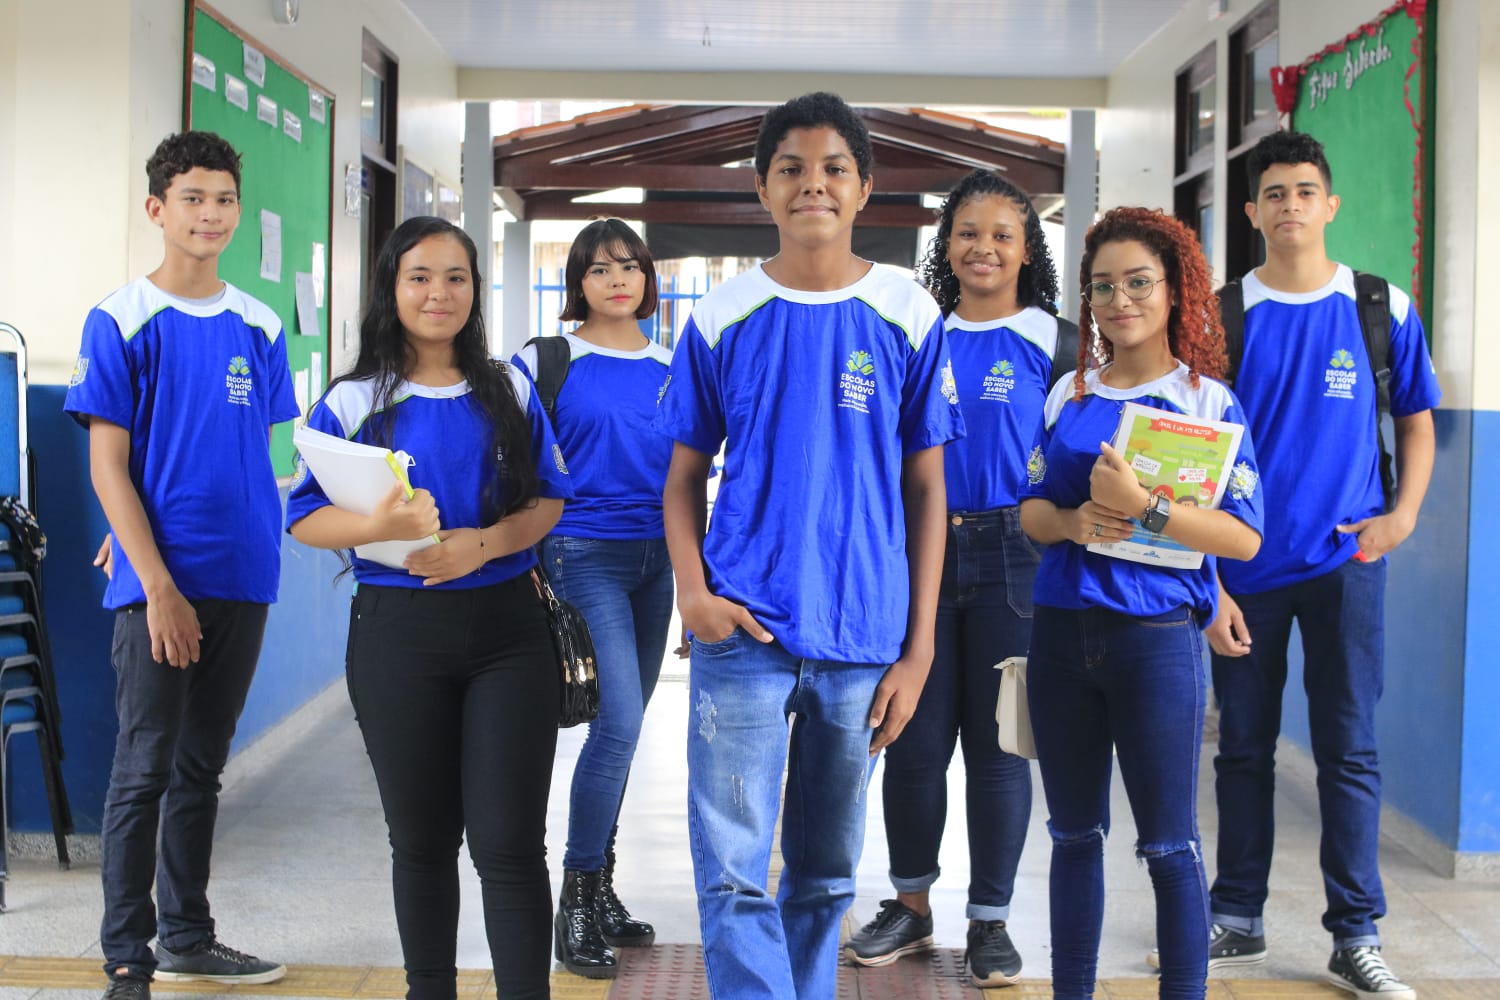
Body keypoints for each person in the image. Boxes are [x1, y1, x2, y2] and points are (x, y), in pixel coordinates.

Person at [655, 91, 962, 1000]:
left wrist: (919, 649)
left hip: (862, 638)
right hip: (741, 632)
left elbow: (928, 490)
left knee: (826, 876)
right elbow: (681, 478)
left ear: (865, 187)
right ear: (762, 187)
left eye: (834, 169)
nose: (812, 185)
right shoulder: (722, 315)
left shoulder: (908, 312)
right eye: (790, 168)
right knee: (733, 873)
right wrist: (693, 595)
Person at [286, 216, 574, 1000]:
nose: (438, 293)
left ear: (476, 290)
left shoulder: (508, 388)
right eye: (419, 277)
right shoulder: (352, 400)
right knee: (420, 841)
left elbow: (549, 499)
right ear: (391, 287)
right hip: (397, 638)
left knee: (509, 844)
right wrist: (380, 526)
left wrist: (483, 544)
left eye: (456, 277)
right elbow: (304, 518)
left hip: (509, 633)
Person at [1205, 130, 1438, 1000]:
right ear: (1253, 210)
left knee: (1349, 751)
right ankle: (1238, 917)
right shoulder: (1225, 315)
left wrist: (1402, 517)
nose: (1291, 205)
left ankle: (1356, 934)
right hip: (1246, 569)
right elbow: (1198, 448)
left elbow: (1416, 419)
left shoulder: (1379, 305)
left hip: (1348, 564)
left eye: (1305, 190)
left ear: (1329, 204)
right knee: (1242, 750)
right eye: (1274, 192)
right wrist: (1210, 582)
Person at [63, 131, 296, 1000]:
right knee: (144, 767)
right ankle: (128, 956)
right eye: (193, 198)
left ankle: (188, 938)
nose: (211, 214)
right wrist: (151, 575)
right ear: (158, 209)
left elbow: (242, 450)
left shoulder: (260, 323)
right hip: (160, 583)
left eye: (224, 199)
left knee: (201, 766)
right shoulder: (121, 319)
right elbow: (109, 466)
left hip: (245, 572)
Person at [1019, 207, 1264, 1000]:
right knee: (1072, 836)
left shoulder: (1208, 403)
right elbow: (1031, 511)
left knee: (1168, 845)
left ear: (1175, 289)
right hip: (1061, 637)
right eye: (1102, 287)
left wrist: (1146, 511)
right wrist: (1071, 522)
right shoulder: (1069, 394)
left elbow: (1242, 538)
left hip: (1156, 641)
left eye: (1138, 283)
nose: (1119, 300)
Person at [846, 169, 1069, 986]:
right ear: (945, 246)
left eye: (1003, 235)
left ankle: (990, 919)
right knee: (912, 736)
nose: (984, 248)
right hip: (921, 551)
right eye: (968, 233)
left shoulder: (1058, 342)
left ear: (1027, 249)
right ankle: (910, 905)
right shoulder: (918, 330)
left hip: (1020, 556)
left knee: (1001, 747)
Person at [511, 218, 674, 979]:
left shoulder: (674, 364)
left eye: (629, 266)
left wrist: (700, 578)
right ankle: (575, 899)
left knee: (624, 732)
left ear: (647, 279)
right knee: (617, 723)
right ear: (577, 281)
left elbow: (689, 474)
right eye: (600, 268)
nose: (617, 280)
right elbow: (508, 458)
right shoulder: (548, 360)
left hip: (659, 561)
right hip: (582, 552)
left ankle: (601, 886)